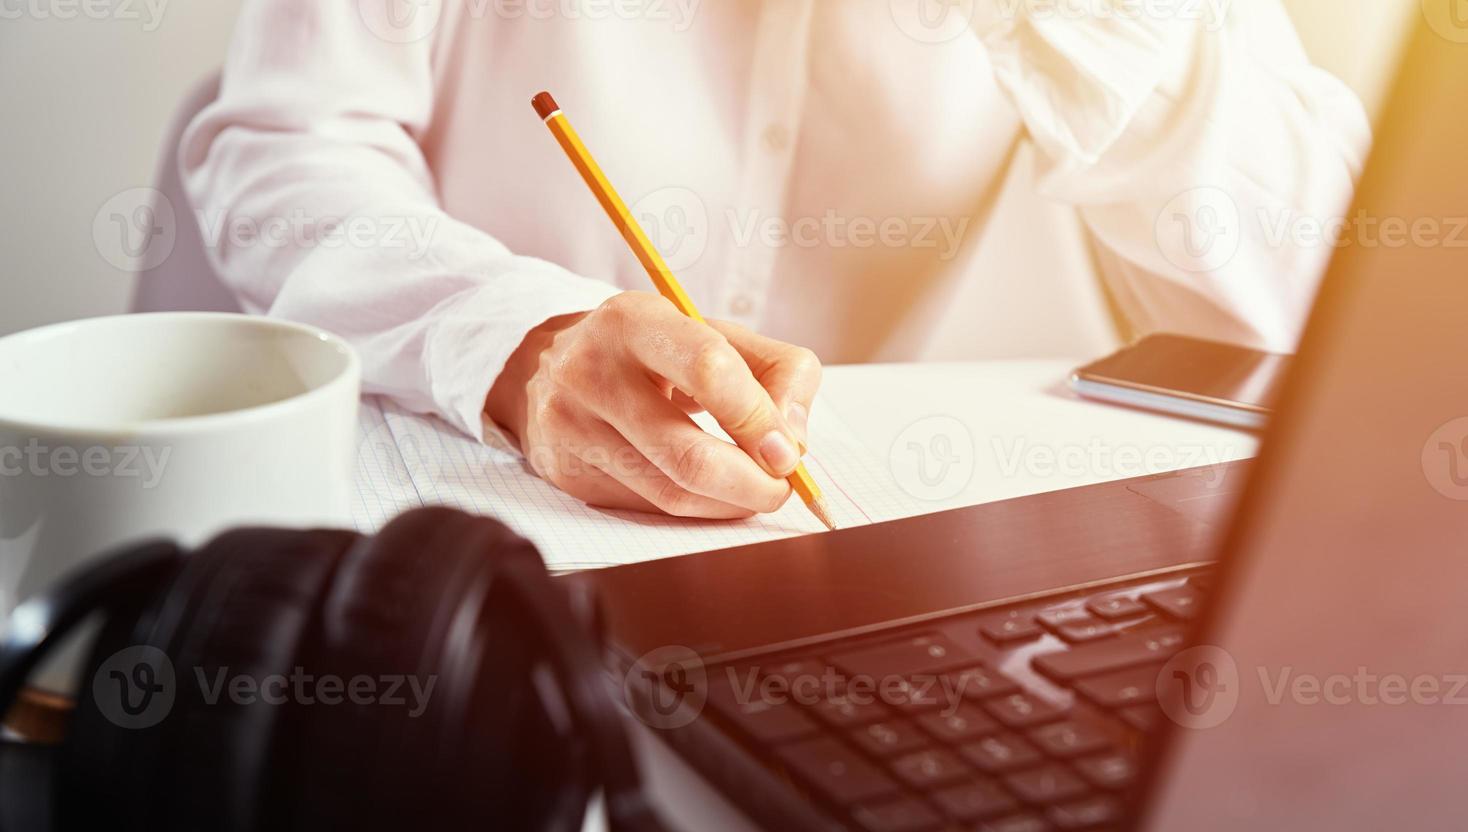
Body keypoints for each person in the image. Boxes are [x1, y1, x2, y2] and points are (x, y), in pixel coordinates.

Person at [182, 0, 1369, 519]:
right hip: (460, 509)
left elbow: (1319, 310)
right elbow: (284, 147)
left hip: (813, 553)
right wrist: (516, 341)